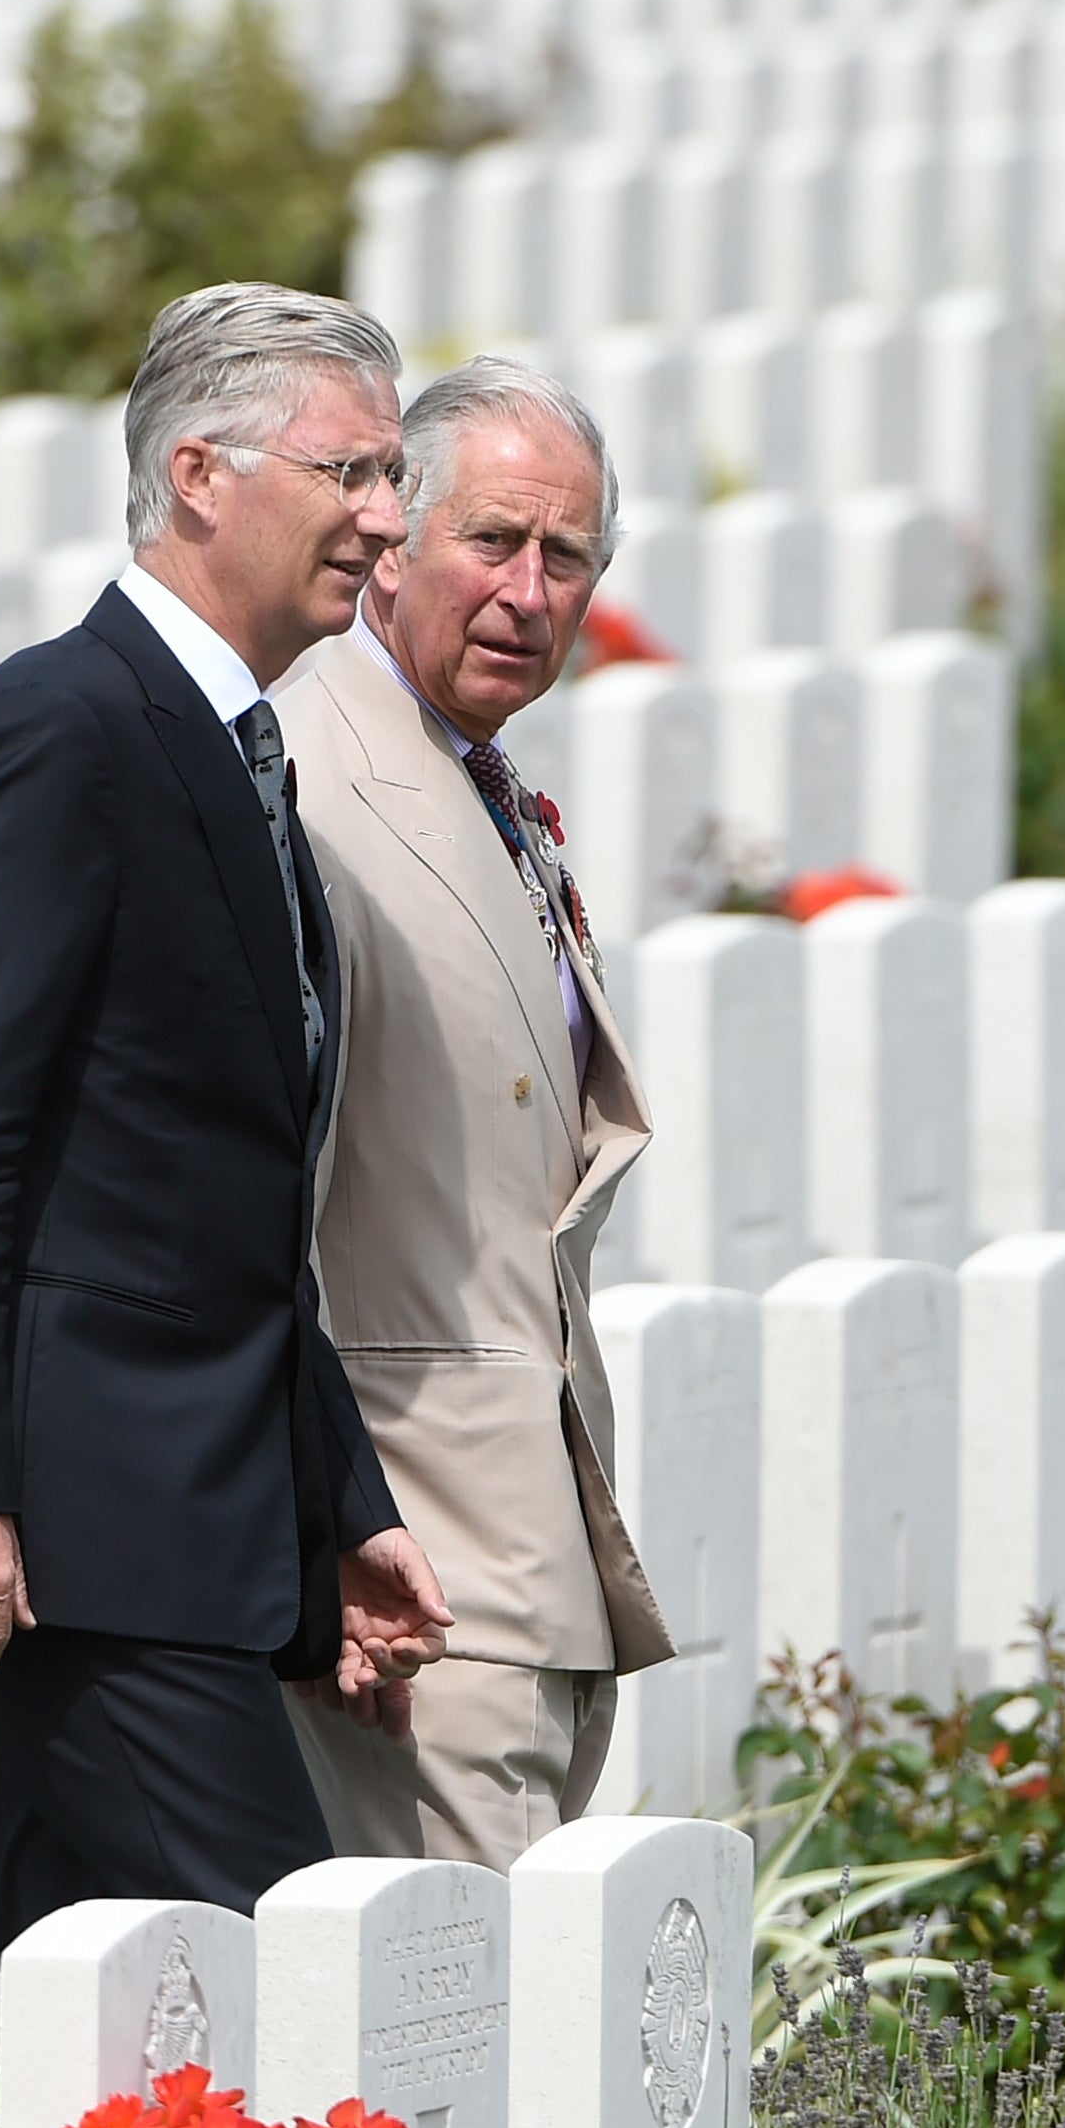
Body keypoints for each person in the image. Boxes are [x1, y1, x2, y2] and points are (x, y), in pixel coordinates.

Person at [0, 281, 455, 1951]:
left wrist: (340, 1509)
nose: (388, 522)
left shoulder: (229, 744)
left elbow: (219, 1201)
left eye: (394, 478)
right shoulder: (56, 731)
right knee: (260, 2022)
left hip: (191, 1524)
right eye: (352, 474)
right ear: (197, 475)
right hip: (73, 1538)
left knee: (151, 2058)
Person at [269, 356, 675, 1866]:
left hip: (532, 1526)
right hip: (408, 1553)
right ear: (390, 545)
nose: (527, 589)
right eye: (489, 542)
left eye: (565, 557)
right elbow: (271, 1202)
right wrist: (318, 1538)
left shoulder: (468, 777)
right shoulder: (309, 784)